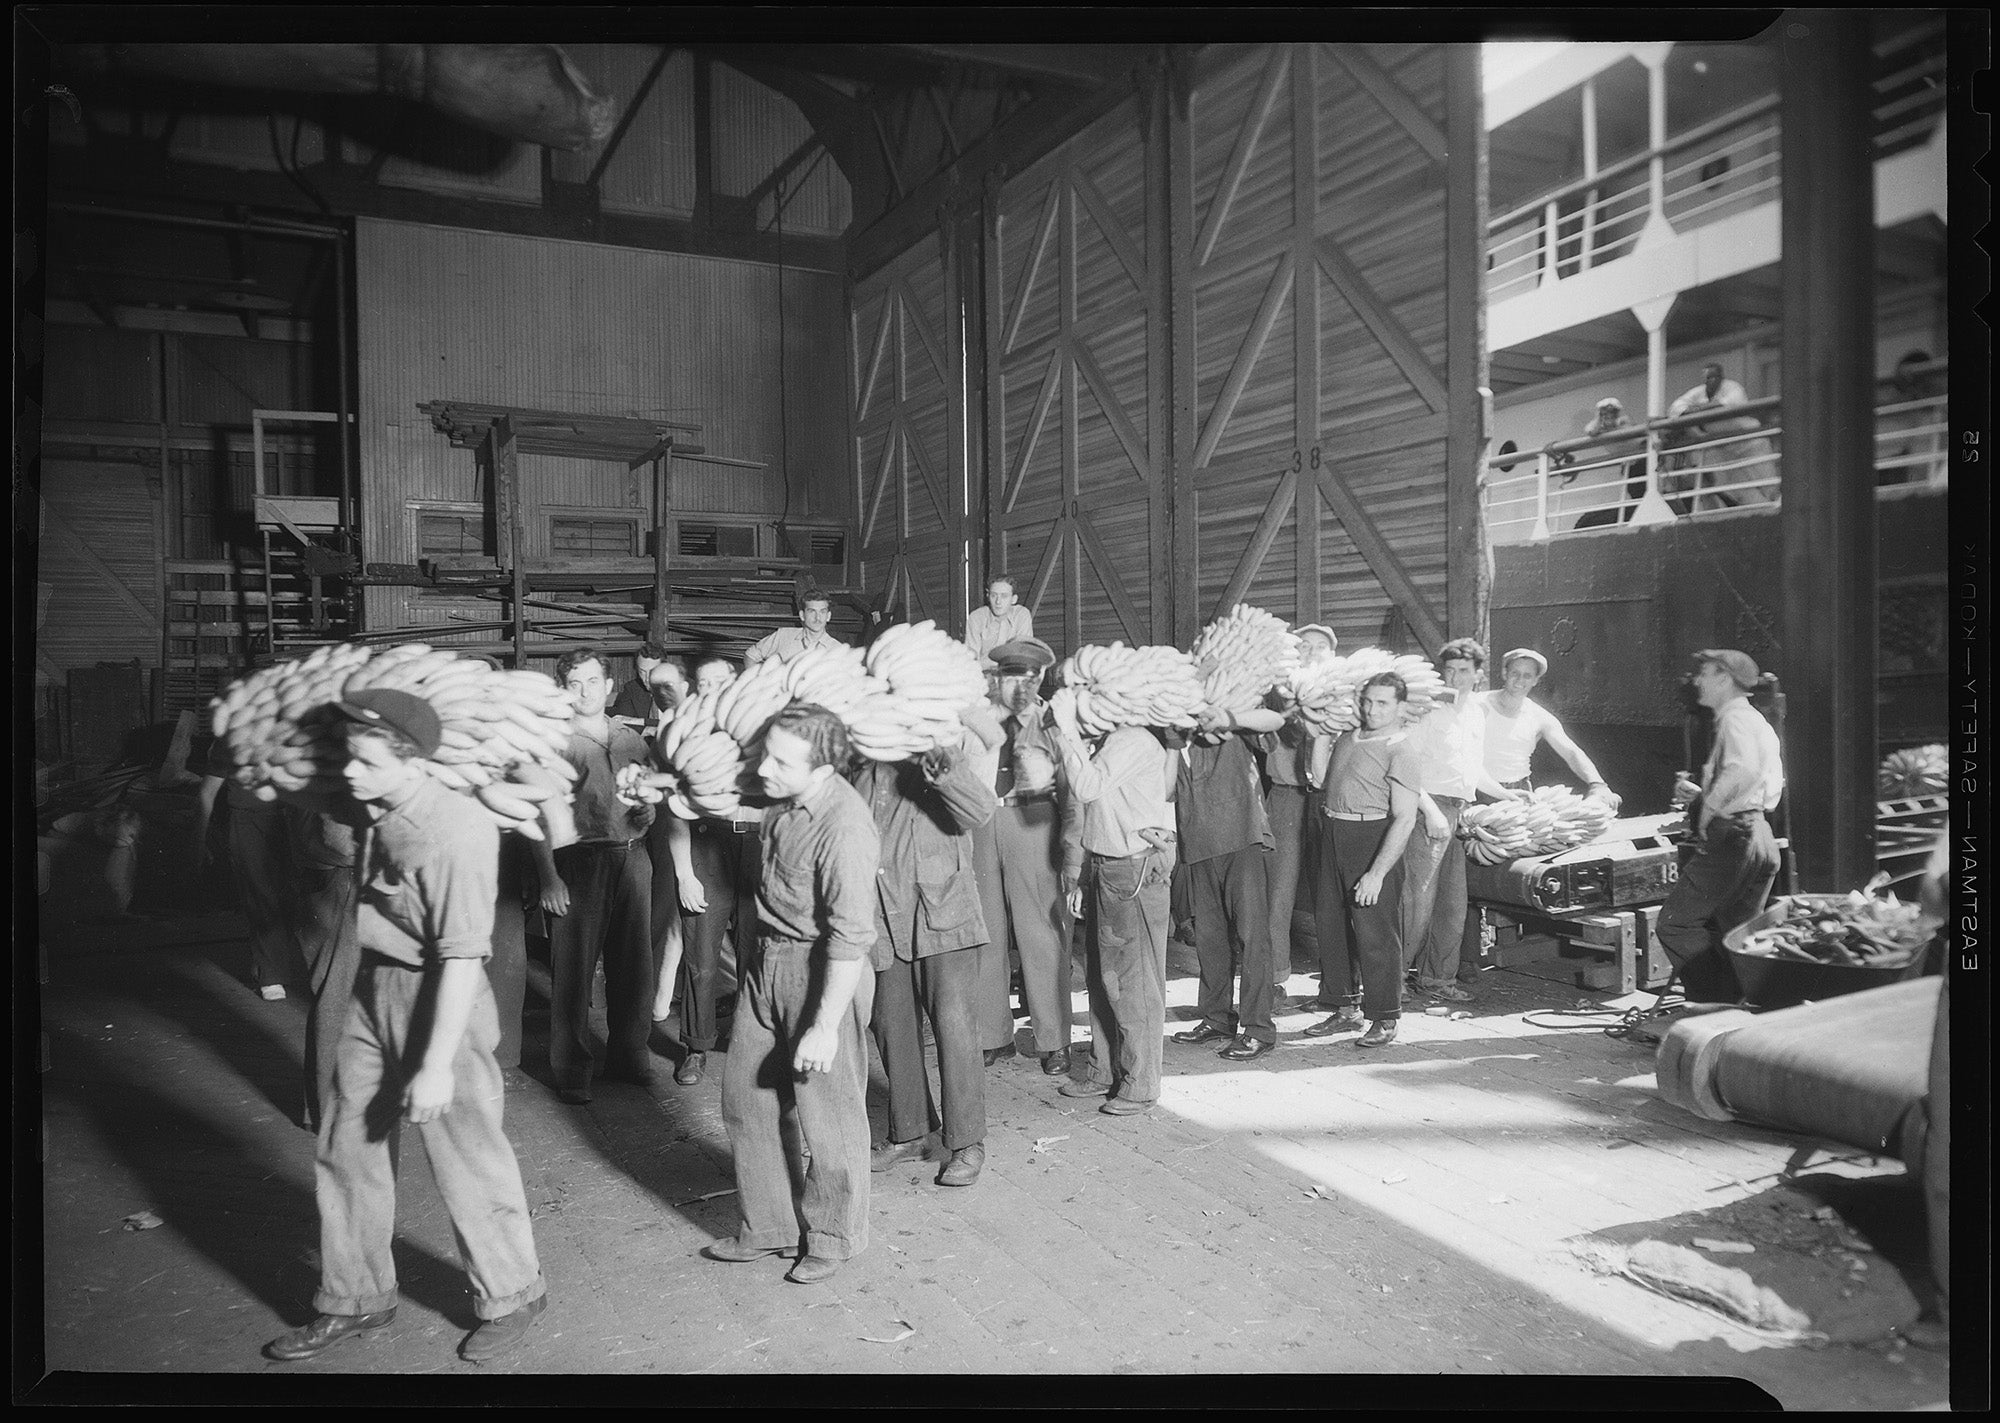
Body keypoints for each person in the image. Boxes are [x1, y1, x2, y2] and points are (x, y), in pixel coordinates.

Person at [264, 688, 546, 1365]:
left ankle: (515, 1292)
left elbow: (459, 957)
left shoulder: (454, 832)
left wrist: (431, 1064)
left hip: (440, 996)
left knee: (464, 1149)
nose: (350, 772)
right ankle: (357, 1295)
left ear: (410, 758)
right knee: (347, 1138)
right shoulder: (376, 801)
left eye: (362, 760)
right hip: (377, 981)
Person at [706, 706, 879, 1285]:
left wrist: (825, 1025)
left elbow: (852, 939)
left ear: (823, 765)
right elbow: (746, 803)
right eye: (766, 753)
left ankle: (834, 1234)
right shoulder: (784, 796)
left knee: (827, 1112)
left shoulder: (846, 828)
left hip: (822, 969)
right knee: (745, 1098)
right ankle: (770, 1226)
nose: (765, 766)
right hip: (766, 957)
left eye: (781, 760)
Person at [857, 705, 1004, 1189]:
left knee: (954, 1025)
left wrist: (938, 760)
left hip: (942, 911)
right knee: (891, 1024)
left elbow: (980, 809)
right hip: (882, 914)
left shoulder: (940, 753)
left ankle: (967, 1142)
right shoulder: (860, 763)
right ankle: (913, 1132)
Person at [1046, 688, 1179, 1115]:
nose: (1089, 710)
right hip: (1108, 866)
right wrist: (1085, 874)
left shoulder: (1133, 741)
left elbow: (1085, 787)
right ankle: (1106, 1071)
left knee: (1133, 984)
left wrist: (1066, 726)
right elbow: (1100, 811)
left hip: (1131, 872)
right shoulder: (1113, 743)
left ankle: (1141, 1084)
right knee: (1106, 980)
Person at [533, 651, 656, 1104]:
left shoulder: (631, 739)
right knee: (573, 970)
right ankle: (572, 1069)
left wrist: (649, 808)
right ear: (564, 690)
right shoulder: (556, 741)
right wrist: (548, 877)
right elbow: (539, 814)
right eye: (574, 683)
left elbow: (646, 795)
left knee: (635, 966)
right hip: (580, 862)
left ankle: (628, 1055)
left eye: (592, 681)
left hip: (634, 856)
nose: (584, 692)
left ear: (609, 685)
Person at [968, 638, 1080, 1075]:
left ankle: (1054, 1040)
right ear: (998, 678)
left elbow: (1072, 783)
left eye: (1030, 677)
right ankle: (992, 1036)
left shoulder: (1052, 720)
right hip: (981, 822)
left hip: (1032, 822)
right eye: (1012, 675)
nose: (1021, 684)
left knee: (1042, 933)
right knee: (986, 931)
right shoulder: (974, 717)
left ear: (1039, 681)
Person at [1305, 673, 1429, 1048]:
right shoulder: (1349, 736)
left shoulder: (1401, 749)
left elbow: (1406, 817)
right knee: (1330, 923)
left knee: (1375, 931)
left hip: (1372, 838)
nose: (1372, 710)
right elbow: (1320, 779)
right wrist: (1321, 736)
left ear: (1400, 707)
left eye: (1383, 703)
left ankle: (1385, 1015)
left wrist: (1377, 873)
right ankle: (1343, 1007)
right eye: (1368, 701)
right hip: (1333, 832)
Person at [1654, 650, 1785, 1006]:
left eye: (1705, 674)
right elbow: (1760, 782)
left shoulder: (1734, 719)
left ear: (1724, 678)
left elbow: (1741, 770)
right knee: (1737, 931)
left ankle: (1713, 1005)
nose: (1698, 681)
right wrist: (1704, 793)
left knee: (1675, 925)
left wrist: (1708, 809)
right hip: (1758, 834)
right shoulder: (1756, 720)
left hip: (1732, 836)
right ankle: (1746, 1004)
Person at [1398, 639, 1519, 1006]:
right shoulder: (1429, 711)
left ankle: (1437, 979)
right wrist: (1431, 811)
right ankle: (1393, 977)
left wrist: (1506, 795)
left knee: (1452, 903)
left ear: (1479, 675)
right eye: (1449, 670)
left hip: (1459, 811)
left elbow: (1472, 770)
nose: (1455, 677)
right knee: (1416, 901)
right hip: (1427, 809)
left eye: (1463, 671)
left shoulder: (1476, 714)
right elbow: (1404, 766)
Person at [1169, 697, 1288, 1062]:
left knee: (1252, 935)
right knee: (1209, 938)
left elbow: (1274, 720)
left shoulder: (1231, 717)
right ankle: (1217, 1018)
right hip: (1197, 840)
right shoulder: (1172, 727)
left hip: (1241, 836)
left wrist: (1229, 716)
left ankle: (1258, 1029)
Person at [1261, 623, 1336, 1002]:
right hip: (1287, 797)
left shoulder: (1344, 695)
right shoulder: (1276, 694)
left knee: (1332, 890)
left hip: (1329, 800)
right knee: (1279, 889)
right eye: (1303, 645)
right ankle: (1274, 976)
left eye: (1319, 646)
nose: (1310, 651)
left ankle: (1338, 983)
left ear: (1332, 654)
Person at [1480, 649, 1622, 808]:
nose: (1520, 680)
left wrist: (1597, 784)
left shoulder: (1539, 716)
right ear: (1504, 673)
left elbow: (1571, 753)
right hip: (1480, 789)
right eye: (1515, 673)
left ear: (1535, 680)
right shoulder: (1478, 704)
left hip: (1520, 793)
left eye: (1527, 675)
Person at [1664, 362, 1774, 512]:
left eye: (1715, 377)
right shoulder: (1698, 393)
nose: (1711, 381)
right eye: (1708, 378)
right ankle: (1762, 512)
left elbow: (1722, 406)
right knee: (1735, 489)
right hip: (1723, 447)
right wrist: (1696, 411)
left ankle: (1777, 507)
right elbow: (1676, 408)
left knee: (1768, 483)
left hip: (1750, 442)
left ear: (1721, 377)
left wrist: (1696, 411)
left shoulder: (1733, 388)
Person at [1568, 397, 1648, 529]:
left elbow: (1627, 429)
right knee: (1634, 490)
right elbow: (1590, 430)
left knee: (1641, 490)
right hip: (1629, 464)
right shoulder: (1598, 427)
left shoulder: (1624, 421)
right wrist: (1600, 420)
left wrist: (1613, 425)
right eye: (1604, 413)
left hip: (1642, 458)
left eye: (1611, 412)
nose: (1608, 415)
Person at [744, 590, 846, 665]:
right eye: (812, 611)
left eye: (822, 612)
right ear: (802, 615)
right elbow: (751, 655)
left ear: (828, 616)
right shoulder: (783, 635)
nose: (817, 618)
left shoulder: (837, 649)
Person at [963, 576, 1035, 667]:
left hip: (1012, 673)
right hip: (983, 676)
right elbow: (971, 657)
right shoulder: (977, 617)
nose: (998, 601)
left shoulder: (1021, 615)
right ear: (988, 596)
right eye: (994, 595)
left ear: (1014, 599)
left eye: (1004, 596)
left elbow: (1023, 653)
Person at [610, 640, 673, 728]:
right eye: (642, 672)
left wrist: (641, 721)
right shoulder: (632, 689)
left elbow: (681, 724)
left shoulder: (682, 687)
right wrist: (650, 730)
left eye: (652, 671)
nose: (647, 678)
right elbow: (621, 724)